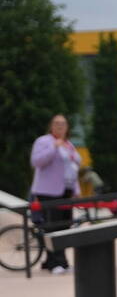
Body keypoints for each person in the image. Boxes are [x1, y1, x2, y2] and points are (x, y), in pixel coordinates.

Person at [29, 114, 81, 274]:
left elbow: (72, 168)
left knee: (65, 226)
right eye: (57, 124)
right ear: (51, 126)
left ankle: (57, 261)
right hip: (49, 191)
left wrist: (76, 189)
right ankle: (57, 263)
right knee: (54, 227)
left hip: (66, 191)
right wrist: (54, 147)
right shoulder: (44, 141)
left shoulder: (69, 145)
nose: (60, 127)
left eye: (63, 124)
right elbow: (36, 162)